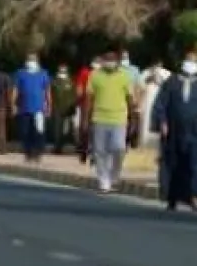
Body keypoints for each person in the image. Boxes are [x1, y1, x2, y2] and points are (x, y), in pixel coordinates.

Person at [154, 49, 197, 211]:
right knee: (174, 164)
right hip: (174, 131)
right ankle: (172, 197)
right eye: (188, 60)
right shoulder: (171, 82)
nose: (190, 64)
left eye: (194, 61)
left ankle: (196, 196)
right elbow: (160, 105)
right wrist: (162, 122)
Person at [85, 50, 137, 193]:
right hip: (99, 118)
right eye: (107, 59)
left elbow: (130, 99)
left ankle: (114, 176)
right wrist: (85, 120)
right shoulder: (95, 75)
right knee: (100, 151)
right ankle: (104, 181)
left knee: (118, 148)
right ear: (102, 61)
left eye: (113, 59)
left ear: (118, 62)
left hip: (119, 119)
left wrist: (133, 120)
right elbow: (89, 98)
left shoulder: (124, 76)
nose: (110, 62)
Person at [13, 53, 53, 163]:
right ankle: (28, 153)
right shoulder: (20, 73)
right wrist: (13, 104)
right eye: (29, 59)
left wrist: (49, 105)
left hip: (39, 109)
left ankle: (38, 153)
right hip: (24, 108)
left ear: (37, 61)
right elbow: (15, 89)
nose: (31, 61)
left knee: (38, 132)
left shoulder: (43, 73)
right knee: (25, 132)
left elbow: (47, 91)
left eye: (33, 59)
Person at [51, 64, 79, 155]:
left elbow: (74, 95)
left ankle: (76, 147)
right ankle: (57, 148)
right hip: (57, 108)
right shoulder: (54, 81)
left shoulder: (71, 82)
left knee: (69, 129)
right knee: (57, 129)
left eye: (64, 70)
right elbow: (50, 94)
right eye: (61, 70)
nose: (62, 71)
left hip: (69, 109)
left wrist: (74, 107)